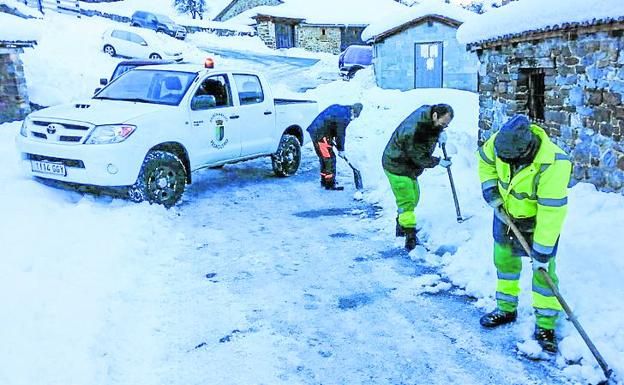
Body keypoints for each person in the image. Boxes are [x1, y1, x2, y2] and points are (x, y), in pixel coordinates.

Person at [477, 114, 572, 354]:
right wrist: (491, 193)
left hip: (537, 222)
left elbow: (551, 213)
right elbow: (485, 160)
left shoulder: (554, 163)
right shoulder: (501, 141)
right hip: (505, 216)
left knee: (543, 273)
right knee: (504, 262)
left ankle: (545, 325)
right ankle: (506, 309)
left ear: (525, 150)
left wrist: (542, 251)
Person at [381, 104, 454, 250]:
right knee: (407, 202)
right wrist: (438, 161)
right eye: (443, 123)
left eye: (446, 125)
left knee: (414, 197)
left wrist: (437, 132)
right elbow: (419, 157)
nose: (444, 126)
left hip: (407, 166)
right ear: (435, 116)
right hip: (397, 165)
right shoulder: (414, 131)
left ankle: (401, 226)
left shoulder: (428, 113)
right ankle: (410, 238)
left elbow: (428, 132)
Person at [306, 103, 363, 190]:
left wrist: (331, 138)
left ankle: (324, 181)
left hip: (318, 131)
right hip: (320, 135)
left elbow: (332, 123)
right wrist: (341, 149)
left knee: (324, 157)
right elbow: (340, 134)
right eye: (354, 116)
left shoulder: (341, 109)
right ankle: (329, 184)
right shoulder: (344, 117)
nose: (353, 118)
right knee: (329, 158)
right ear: (352, 111)